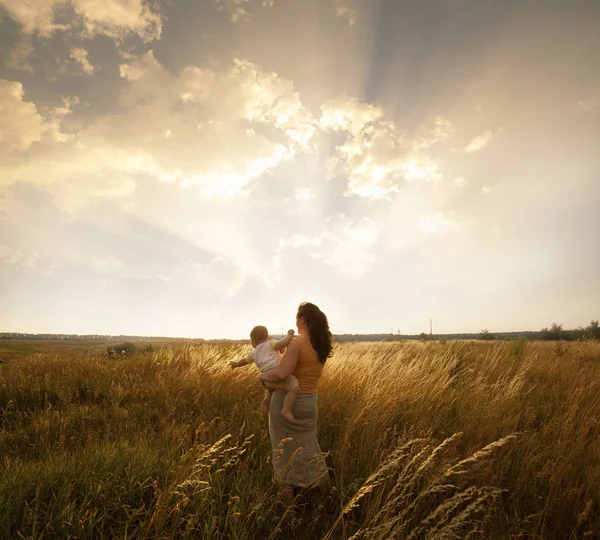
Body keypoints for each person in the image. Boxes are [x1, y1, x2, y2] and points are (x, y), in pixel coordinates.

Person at [259, 302, 333, 512]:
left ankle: (289, 519)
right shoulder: (320, 344)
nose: (295, 321)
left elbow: (282, 373)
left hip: (286, 405)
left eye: (297, 317)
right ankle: (329, 498)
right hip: (309, 403)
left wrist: (262, 375)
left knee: (282, 456)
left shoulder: (297, 344)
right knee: (311, 448)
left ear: (302, 320)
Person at [230, 326, 299, 422]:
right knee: (295, 386)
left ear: (253, 339)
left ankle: (267, 400)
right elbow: (281, 344)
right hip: (277, 374)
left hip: (267, 380)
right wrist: (289, 335)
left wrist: (236, 364)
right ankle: (286, 410)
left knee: (269, 390)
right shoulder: (270, 343)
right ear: (267, 336)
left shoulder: (253, 353)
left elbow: (244, 361)